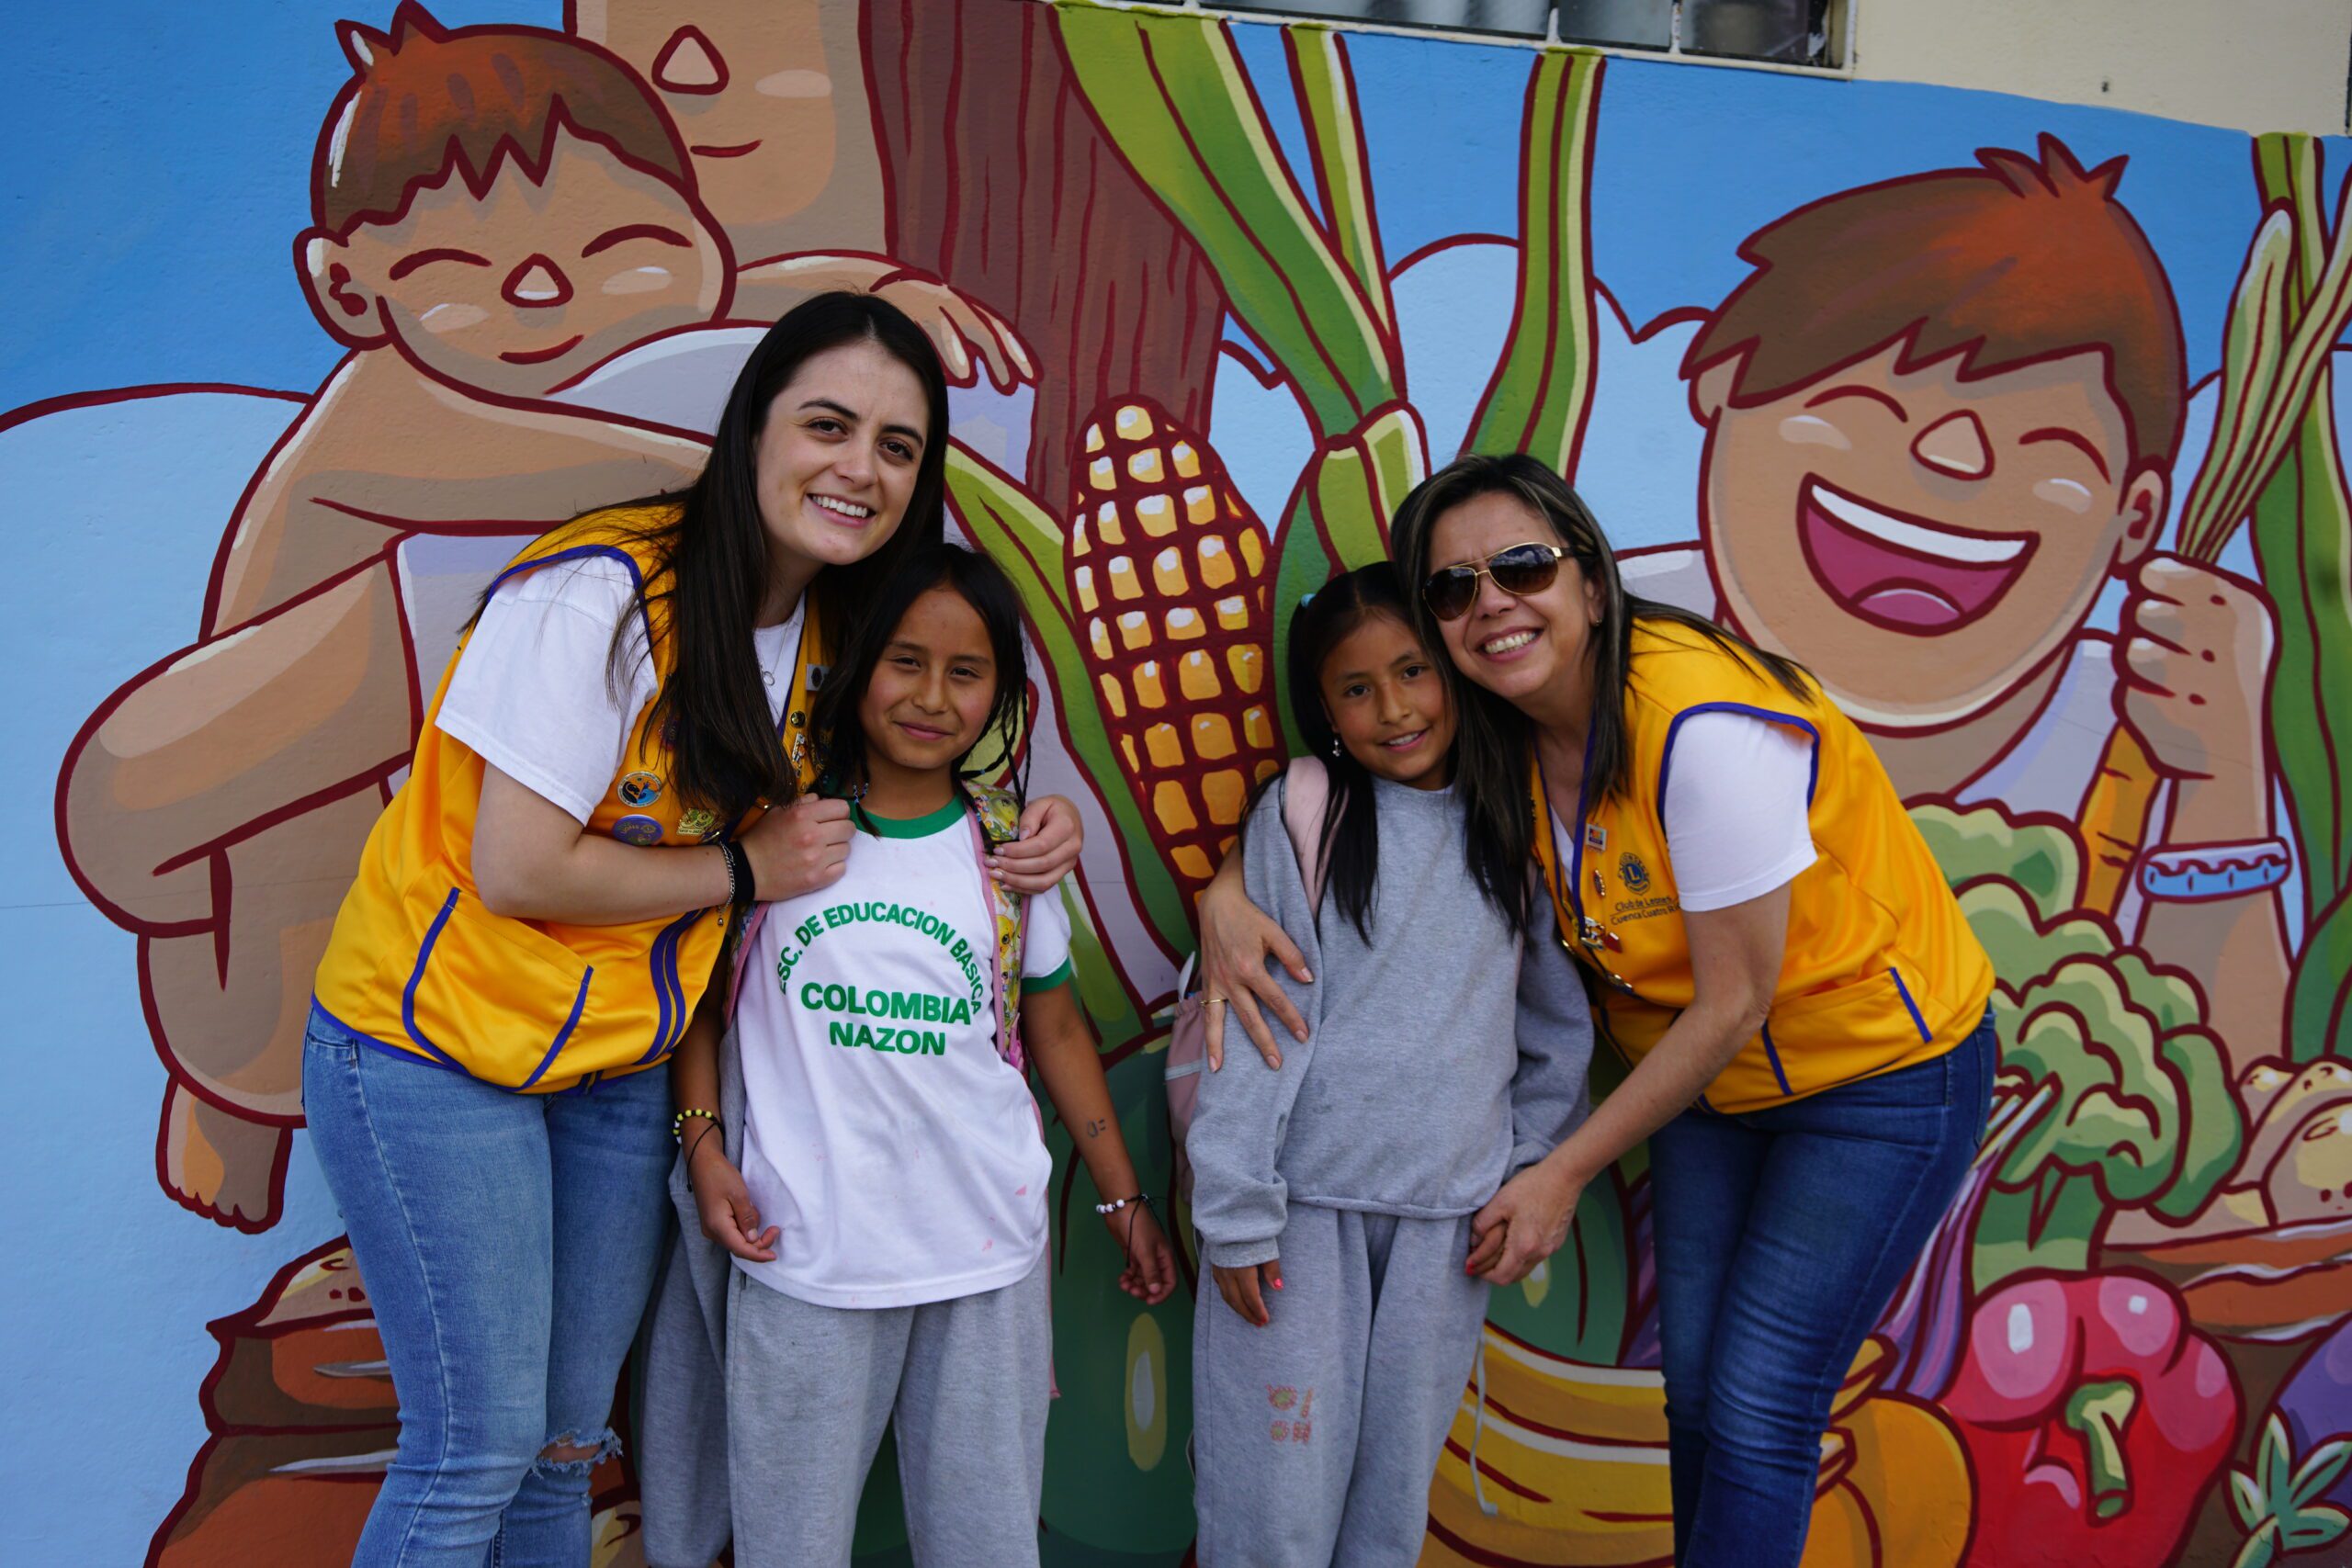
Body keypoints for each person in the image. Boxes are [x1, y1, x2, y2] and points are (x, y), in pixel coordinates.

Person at [298, 291, 1085, 1566]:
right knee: (477, 1444)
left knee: (564, 1443)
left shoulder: (837, 627)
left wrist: (1044, 829)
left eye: (897, 445)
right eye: (828, 423)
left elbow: (938, 779)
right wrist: (742, 864)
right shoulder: (601, 592)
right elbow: (516, 865)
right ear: (754, 427)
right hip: (435, 1047)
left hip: (614, 1063)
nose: (861, 467)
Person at [1198, 454, 1995, 1568]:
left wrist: (1554, 1168)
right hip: (1709, 1084)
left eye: (1520, 568)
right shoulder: (1494, 728)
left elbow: (1732, 1001)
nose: (1490, 607)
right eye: (1454, 589)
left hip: (1868, 1078)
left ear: (1588, 573)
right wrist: (1224, 895)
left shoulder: (1701, 731)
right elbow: (1323, 832)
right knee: (1695, 1398)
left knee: (1761, 1404)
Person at [57, 0, 737, 1228]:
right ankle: (228, 1108)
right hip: (257, 905)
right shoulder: (394, 409)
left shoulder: (624, 398)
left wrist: (855, 292)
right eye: (461, 271)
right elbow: (641, 461)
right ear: (346, 285)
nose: (545, 291)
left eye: (629, 248)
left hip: (523, 933)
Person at [650, 543, 1176, 1568]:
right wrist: (704, 1149)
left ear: (999, 695)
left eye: (966, 671)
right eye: (904, 661)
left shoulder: (1008, 851)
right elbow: (696, 1007)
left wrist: (1122, 1197)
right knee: (786, 1545)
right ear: (852, 668)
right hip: (805, 1255)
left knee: (982, 1541)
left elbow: (1054, 1026)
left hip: (983, 1256)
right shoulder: (778, 837)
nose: (932, 697)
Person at [1184, 564, 1591, 1568]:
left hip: (1444, 1230)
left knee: (1388, 1511)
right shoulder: (1309, 807)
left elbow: (1554, 1025)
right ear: (1321, 707)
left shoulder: (1513, 817)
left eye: (1414, 671)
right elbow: (1253, 1013)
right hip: (1298, 1220)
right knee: (1270, 1503)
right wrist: (1235, 1210)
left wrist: (1528, 1165)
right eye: (1356, 688)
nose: (1394, 708)